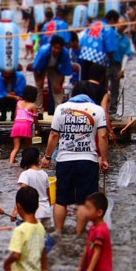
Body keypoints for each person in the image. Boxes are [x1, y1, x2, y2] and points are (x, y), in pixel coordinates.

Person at [42, 84, 109, 234]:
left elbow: (54, 135)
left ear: (72, 94)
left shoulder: (61, 108)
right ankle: (79, 234)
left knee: (61, 200)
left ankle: (58, 232)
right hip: (88, 161)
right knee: (84, 201)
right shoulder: (97, 110)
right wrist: (104, 159)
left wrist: (47, 157)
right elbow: (103, 136)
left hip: (65, 160)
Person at [32, 35, 73, 112]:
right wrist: (38, 80)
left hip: (55, 67)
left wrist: (59, 83)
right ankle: (38, 111)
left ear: (62, 48)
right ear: (51, 46)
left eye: (59, 48)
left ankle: (59, 110)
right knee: (39, 87)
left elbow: (64, 70)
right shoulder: (44, 51)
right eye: (55, 48)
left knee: (57, 89)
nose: (56, 50)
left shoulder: (65, 53)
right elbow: (35, 67)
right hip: (42, 66)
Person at [13, 147, 52, 225]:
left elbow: (22, 195)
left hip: (34, 213)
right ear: (38, 159)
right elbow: (49, 196)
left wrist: (15, 211)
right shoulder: (44, 174)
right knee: (44, 236)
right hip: (46, 212)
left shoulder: (25, 174)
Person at [8, 86, 40, 164]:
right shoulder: (33, 106)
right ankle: (31, 161)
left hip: (17, 125)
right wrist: (38, 129)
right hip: (26, 126)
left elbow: (15, 116)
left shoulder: (19, 103)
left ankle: (11, 162)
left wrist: (14, 125)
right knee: (29, 146)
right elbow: (36, 120)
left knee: (16, 148)